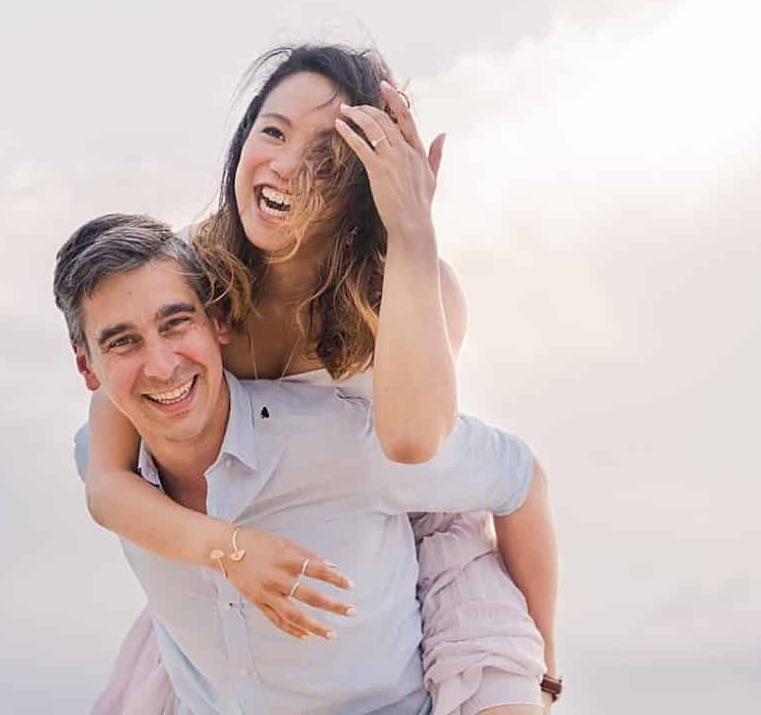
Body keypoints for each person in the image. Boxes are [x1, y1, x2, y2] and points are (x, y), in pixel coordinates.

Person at [73, 45, 560, 713]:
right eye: (272, 131)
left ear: (365, 180)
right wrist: (231, 551)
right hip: (259, 548)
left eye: (327, 157)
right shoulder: (192, 276)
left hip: (410, 530)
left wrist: (412, 230)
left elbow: (414, 445)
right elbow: (106, 471)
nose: (285, 165)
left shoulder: (413, 287)